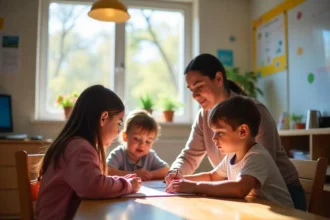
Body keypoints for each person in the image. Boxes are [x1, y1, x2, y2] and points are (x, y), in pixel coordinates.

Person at [165, 53, 306, 210]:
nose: (194, 95)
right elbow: (191, 157)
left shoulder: (253, 114)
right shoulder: (205, 119)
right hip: (244, 195)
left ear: (219, 79)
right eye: (191, 90)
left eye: (199, 86)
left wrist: (195, 186)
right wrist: (176, 175)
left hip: (276, 197)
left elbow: (247, 181)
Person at [166, 96, 294, 208]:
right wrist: (181, 179)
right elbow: (212, 177)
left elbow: (240, 189)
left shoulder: (257, 156)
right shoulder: (232, 155)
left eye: (220, 133)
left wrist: (195, 186)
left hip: (282, 215)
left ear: (243, 131)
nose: (213, 138)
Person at [36, 85, 141, 220]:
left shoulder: (76, 144)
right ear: (103, 118)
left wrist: (119, 181)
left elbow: (92, 180)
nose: (118, 131)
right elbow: (94, 186)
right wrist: (128, 186)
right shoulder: (79, 148)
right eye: (119, 123)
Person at [107, 110, 169, 180]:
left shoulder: (150, 156)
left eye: (148, 142)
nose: (142, 144)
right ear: (125, 136)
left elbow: (166, 170)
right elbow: (107, 171)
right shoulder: (118, 154)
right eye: (136, 139)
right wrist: (134, 175)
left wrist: (150, 175)